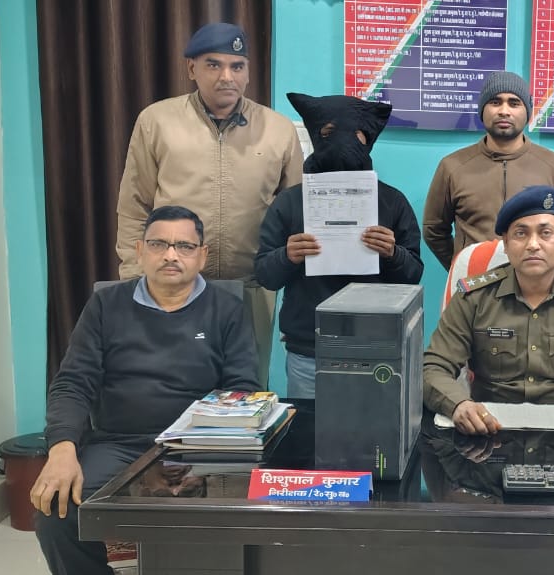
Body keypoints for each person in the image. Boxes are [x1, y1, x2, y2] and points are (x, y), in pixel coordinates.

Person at [33, 206, 259, 575]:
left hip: (197, 446)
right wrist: (61, 449)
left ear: (202, 256)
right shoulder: (106, 305)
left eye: (184, 246)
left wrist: (204, 456)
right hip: (119, 443)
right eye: (158, 244)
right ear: (140, 250)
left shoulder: (227, 309)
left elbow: (242, 391)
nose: (171, 255)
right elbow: (73, 382)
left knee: (239, 512)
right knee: (56, 511)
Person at [114, 22, 302, 386]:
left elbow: (294, 213)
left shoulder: (278, 130)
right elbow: (135, 204)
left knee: (245, 390)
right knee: (172, 387)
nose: (226, 77)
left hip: (251, 287)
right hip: (173, 283)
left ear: (248, 72)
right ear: (192, 69)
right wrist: (135, 276)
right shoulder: (157, 122)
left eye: (237, 66)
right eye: (213, 65)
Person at [256, 94, 423, 399]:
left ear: (368, 139)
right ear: (315, 134)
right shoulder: (290, 202)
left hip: (376, 346)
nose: (343, 141)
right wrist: (287, 256)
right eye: (330, 132)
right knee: (310, 426)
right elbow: (265, 275)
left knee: (374, 427)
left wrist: (393, 254)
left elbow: (413, 275)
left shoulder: (392, 201)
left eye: (356, 133)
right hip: (309, 350)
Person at [423, 186, 554, 437]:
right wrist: (459, 405)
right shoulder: (473, 298)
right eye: (520, 233)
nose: (533, 245)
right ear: (506, 243)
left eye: (545, 233)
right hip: (491, 433)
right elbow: (433, 368)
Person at [423, 71, 554, 269]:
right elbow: (434, 230)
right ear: (482, 110)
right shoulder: (452, 166)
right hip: (472, 281)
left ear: (527, 111)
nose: (504, 111)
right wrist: (463, 265)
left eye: (514, 103)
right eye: (495, 102)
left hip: (535, 282)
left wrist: (540, 270)